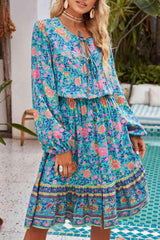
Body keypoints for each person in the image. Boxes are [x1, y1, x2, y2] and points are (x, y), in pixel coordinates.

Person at [23, 0, 150, 239]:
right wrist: (59, 144)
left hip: (107, 132)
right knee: (42, 212)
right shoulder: (45, 30)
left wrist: (132, 128)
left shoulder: (99, 32)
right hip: (69, 132)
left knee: (104, 212)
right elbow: (43, 91)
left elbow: (112, 86)